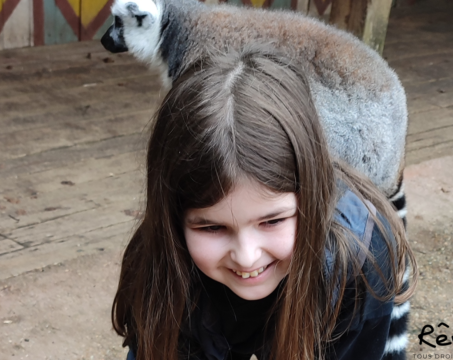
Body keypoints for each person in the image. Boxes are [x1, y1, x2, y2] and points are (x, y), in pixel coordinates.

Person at [111, 46, 418, 360]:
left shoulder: (360, 253)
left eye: (272, 221)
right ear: (172, 218)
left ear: (309, 197)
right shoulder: (161, 258)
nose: (247, 257)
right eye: (212, 227)